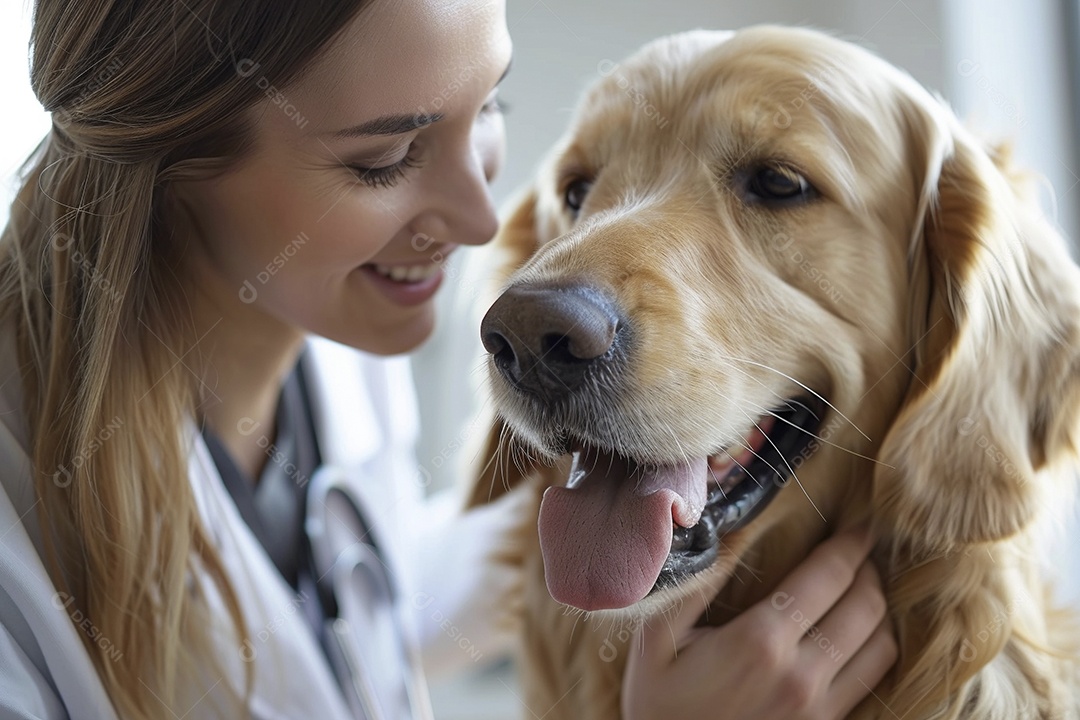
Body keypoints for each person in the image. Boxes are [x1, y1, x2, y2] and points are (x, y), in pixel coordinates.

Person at [0, 1, 897, 718]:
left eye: (489, 108)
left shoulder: (341, 342)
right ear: (175, 160)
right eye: (386, 159)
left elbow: (342, 625)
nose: (483, 223)